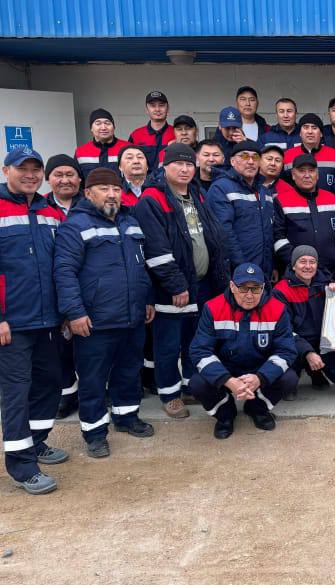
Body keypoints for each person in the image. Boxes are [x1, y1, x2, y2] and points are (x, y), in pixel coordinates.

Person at [0, 146, 68, 495]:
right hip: (9, 325)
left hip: (48, 322)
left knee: (50, 384)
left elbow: (62, 266)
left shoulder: (50, 212)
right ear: (6, 170)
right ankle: (22, 467)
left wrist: (66, 313)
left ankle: (36, 441)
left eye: (36, 169)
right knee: (16, 394)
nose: (31, 175)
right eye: (23, 169)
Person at [53, 168, 156, 458]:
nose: (112, 194)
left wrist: (147, 299)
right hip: (94, 321)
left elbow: (142, 266)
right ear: (88, 193)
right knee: (93, 379)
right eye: (104, 189)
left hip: (132, 317)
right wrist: (75, 313)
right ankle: (95, 433)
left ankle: (127, 417)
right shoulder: (75, 226)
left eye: (116, 189)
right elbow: (64, 272)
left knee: (129, 371)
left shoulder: (130, 222)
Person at [135, 143, 230, 419]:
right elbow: (156, 250)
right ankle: (169, 394)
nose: (185, 169)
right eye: (178, 164)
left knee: (194, 340)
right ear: (165, 166)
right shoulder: (152, 200)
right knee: (168, 344)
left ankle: (189, 386)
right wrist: (177, 285)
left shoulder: (197, 194)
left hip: (201, 284)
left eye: (189, 164)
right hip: (172, 289)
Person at [188, 263, 298, 439]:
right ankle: (225, 414)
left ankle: (257, 408)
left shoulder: (277, 309)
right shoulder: (213, 307)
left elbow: (286, 351)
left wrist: (260, 377)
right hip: (225, 368)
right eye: (243, 288)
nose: (249, 295)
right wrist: (228, 380)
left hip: (259, 368)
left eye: (255, 288)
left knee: (289, 378)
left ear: (263, 287)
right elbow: (200, 351)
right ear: (232, 287)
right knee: (197, 383)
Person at [272, 245, 335, 394]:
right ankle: (295, 375)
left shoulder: (325, 284)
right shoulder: (280, 291)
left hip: (319, 343)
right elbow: (284, 331)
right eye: (302, 261)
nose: (308, 266)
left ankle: (316, 372)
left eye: (312, 262)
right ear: (293, 265)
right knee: (287, 381)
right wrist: (307, 352)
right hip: (292, 344)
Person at [43, 154, 83, 418]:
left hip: (88, 287)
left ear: (79, 178)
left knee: (90, 347)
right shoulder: (39, 208)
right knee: (59, 347)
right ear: (49, 179)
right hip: (52, 288)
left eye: (70, 174)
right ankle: (67, 395)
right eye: (59, 175)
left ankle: (96, 391)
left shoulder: (91, 204)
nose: (65, 180)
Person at [206, 140, 274, 276]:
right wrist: (243, 267)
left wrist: (272, 266)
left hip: (263, 270)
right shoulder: (221, 188)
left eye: (255, 157)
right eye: (244, 156)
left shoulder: (264, 191)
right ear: (232, 161)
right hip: (237, 270)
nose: (250, 161)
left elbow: (270, 231)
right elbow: (224, 233)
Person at [273, 153, 335, 275]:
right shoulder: (281, 200)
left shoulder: (332, 199)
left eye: (311, 171)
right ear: (293, 175)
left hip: (330, 271)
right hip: (297, 273)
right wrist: (297, 261)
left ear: (317, 174)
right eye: (302, 171)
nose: (307, 175)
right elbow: (278, 238)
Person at [283, 113, 335, 190]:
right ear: (300, 133)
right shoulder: (287, 155)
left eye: (314, 128)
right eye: (306, 127)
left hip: (328, 197)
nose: (310, 131)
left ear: (321, 133)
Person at [127, 90, 175, 171]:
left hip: (169, 179)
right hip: (143, 179)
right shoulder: (136, 135)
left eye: (161, 105)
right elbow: (128, 162)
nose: (157, 109)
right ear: (146, 109)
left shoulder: (176, 134)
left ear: (168, 108)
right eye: (153, 106)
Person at [75, 108, 131, 176]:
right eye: (98, 124)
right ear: (91, 128)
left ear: (114, 127)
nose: (103, 127)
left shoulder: (128, 148)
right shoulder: (80, 152)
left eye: (107, 123)